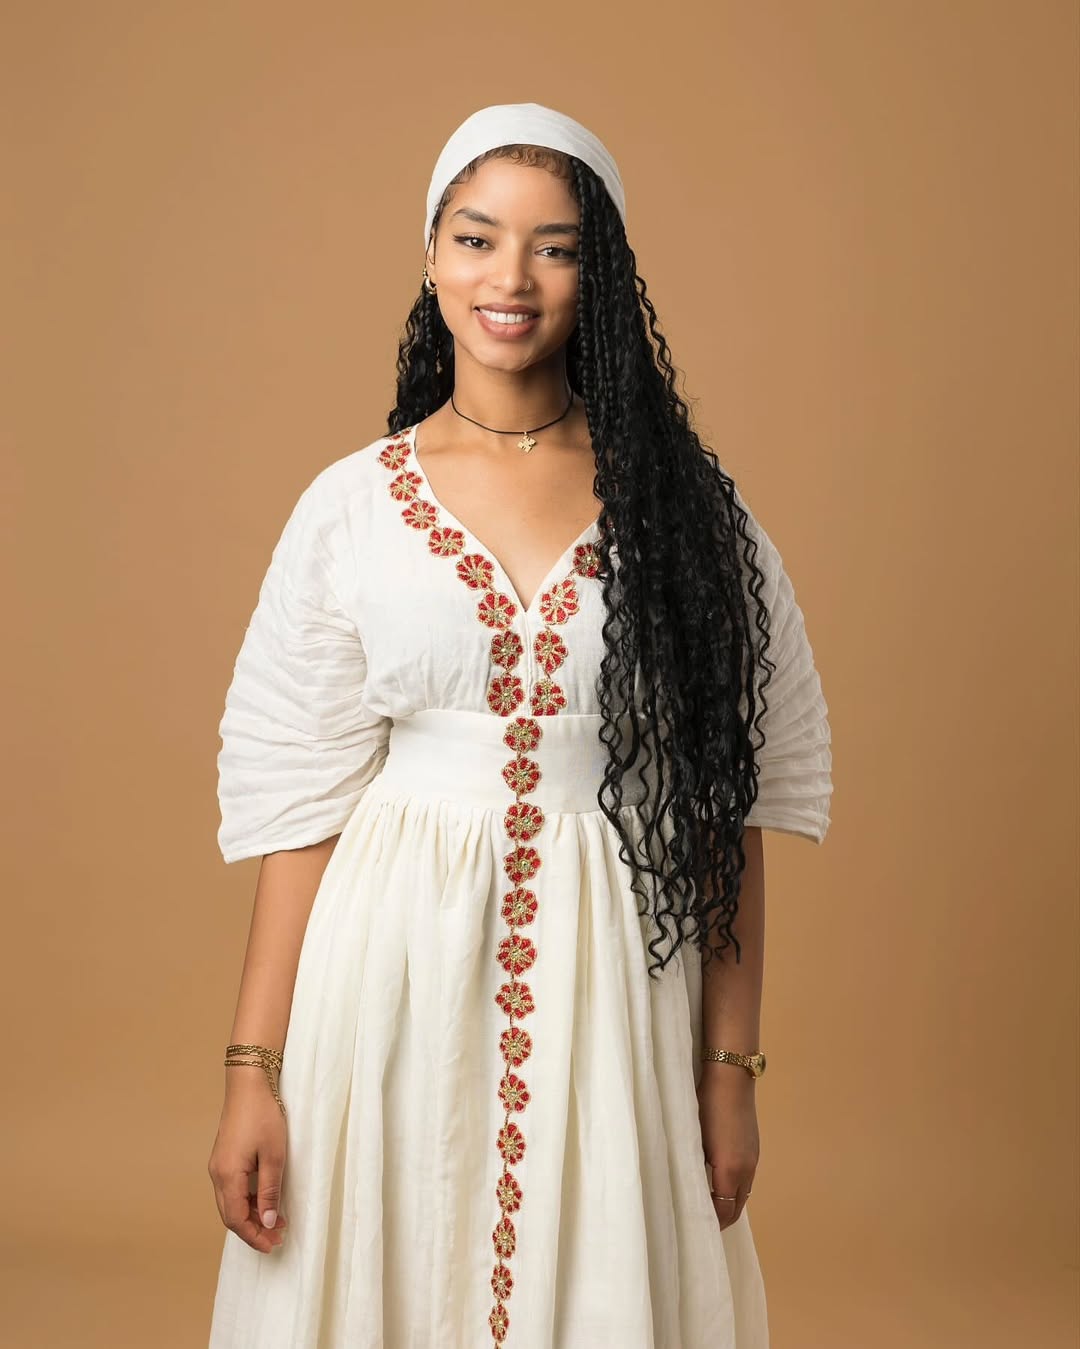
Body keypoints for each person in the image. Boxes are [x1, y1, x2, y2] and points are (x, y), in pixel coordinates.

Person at [205, 101, 833, 1349]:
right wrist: (250, 1074)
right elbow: (300, 809)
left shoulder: (684, 508)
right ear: (431, 254)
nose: (511, 277)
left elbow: (725, 803)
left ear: (600, 273)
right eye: (478, 237)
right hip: (387, 968)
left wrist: (731, 1069)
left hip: (616, 968)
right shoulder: (351, 509)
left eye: (556, 247)